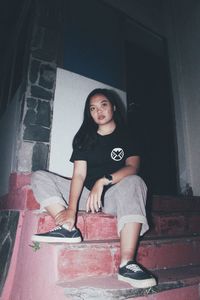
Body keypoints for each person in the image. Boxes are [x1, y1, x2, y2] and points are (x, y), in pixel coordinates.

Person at [31, 88, 157, 289]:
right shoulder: (83, 137)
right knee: (39, 177)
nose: (98, 111)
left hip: (116, 194)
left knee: (135, 181)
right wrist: (71, 211)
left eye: (103, 105)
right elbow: (79, 175)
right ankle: (66, 228)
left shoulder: (128, 135)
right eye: (93, 108)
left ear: (114, 107)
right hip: (87, 196)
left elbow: (132, 167)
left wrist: (103, 180)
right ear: (89, 113)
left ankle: (127, 264)